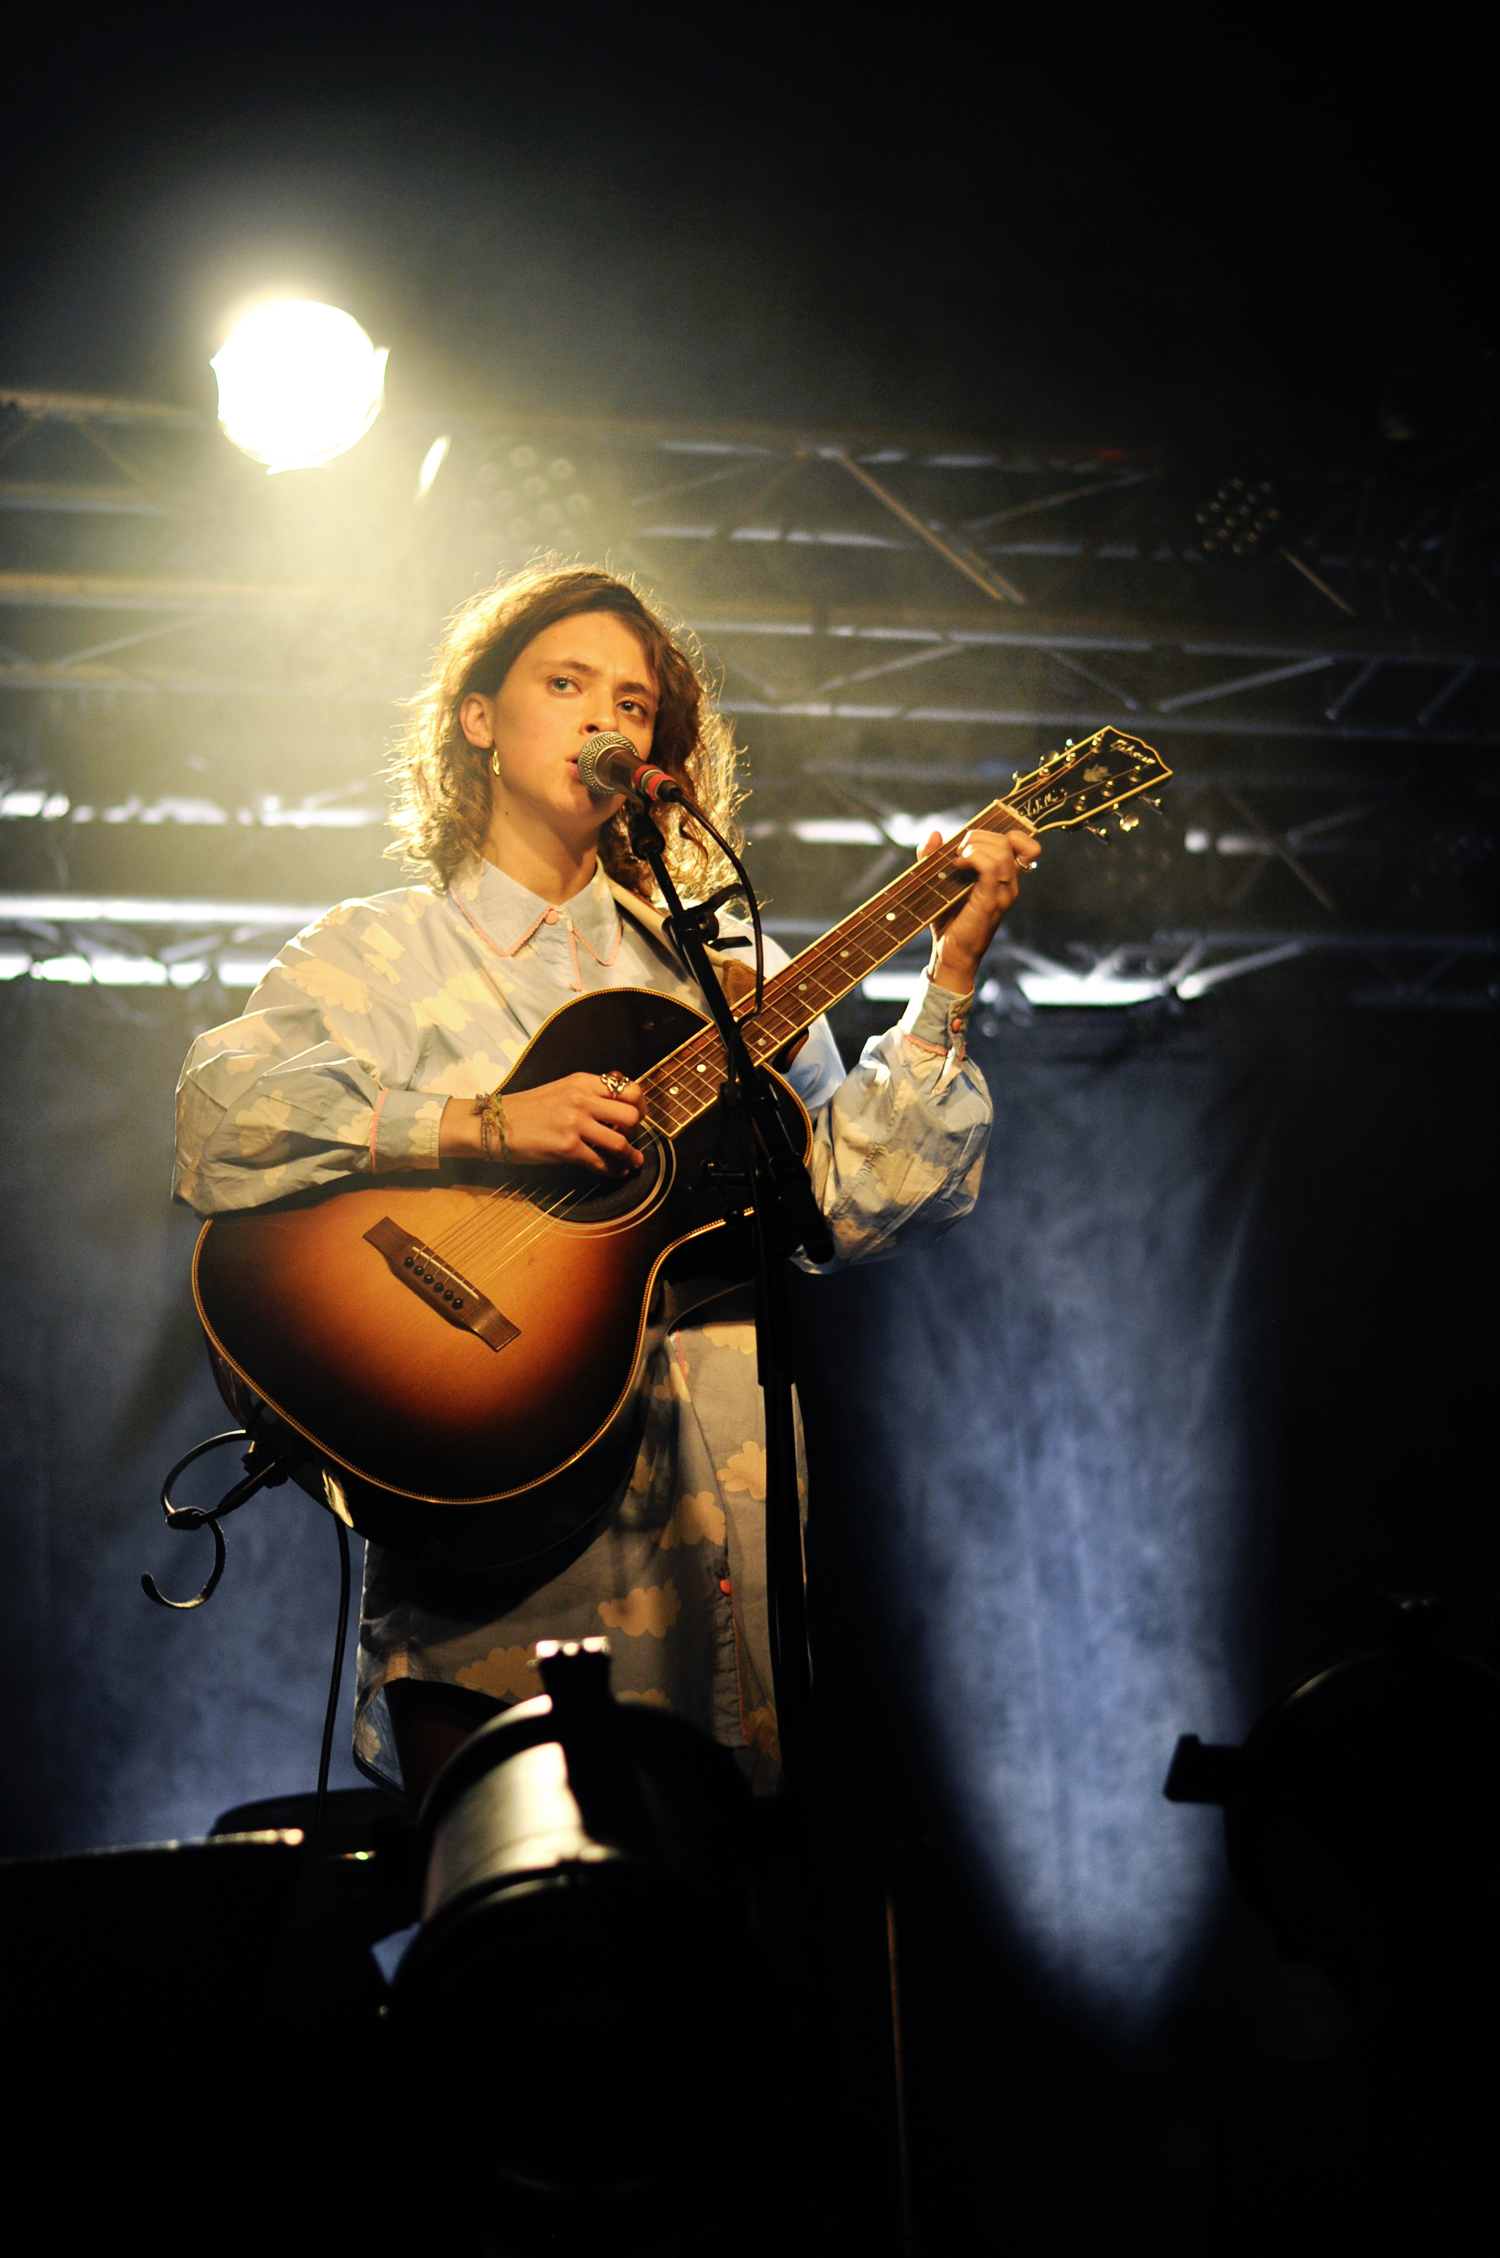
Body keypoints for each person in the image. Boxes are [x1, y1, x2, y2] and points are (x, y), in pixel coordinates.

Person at [174, 562, 1036, 1810]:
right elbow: (224, 1120)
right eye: (567, 684)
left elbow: (852, 1201)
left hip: (714, 1527)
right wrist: (482, 1123)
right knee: (515, 1920)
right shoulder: (378, 951)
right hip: (488, 1535)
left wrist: (948, 974)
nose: (605, 718)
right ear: (478, 718)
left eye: (633, 703)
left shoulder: (724, 976)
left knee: (712, 1922)